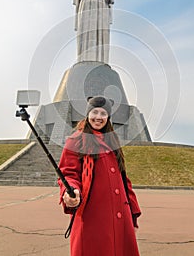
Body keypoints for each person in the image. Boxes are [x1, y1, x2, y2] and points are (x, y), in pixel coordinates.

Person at [58, 95, 141, 256]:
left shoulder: (112, 141)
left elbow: (123, 178)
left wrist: (131, 212)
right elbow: (68, 173)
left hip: (120, 216)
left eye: (103, 113)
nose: (98, 117)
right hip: (93, 216)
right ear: (88, 114)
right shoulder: (77, 140)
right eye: (94, 112)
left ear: (108, 117)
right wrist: (71, 191)